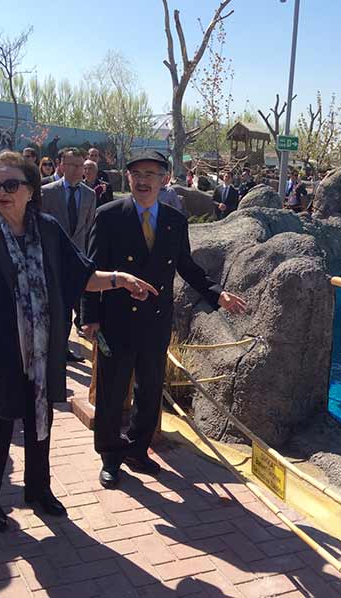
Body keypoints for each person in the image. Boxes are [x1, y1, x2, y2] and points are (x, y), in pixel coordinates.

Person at [0, 150, 156, 531]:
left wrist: (120, 280)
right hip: (0, 352)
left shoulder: (46, 229)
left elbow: (83, 276)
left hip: (44, 350)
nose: (1, 192)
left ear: (30, 190)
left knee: (39, 421)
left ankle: (38, 489)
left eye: (10, 184)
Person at [81, 150, 246, 490]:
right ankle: (111, 456)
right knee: (113, 394)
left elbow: (186, 266)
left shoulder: (174, 220)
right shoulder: (109, 215)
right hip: (116, 321)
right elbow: (90, 270)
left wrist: (217, 294)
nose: (143, 180)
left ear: (164, 179)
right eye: (137, 173)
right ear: (128, 178)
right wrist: (89, 317)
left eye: (151, 174)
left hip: (156, 322)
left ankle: (138, 451)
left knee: (149, 391)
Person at [42, 147, 96, 362]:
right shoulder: (47, 191)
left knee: (78, 307)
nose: (76, 170)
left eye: (80, 166)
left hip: (78, 261)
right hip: (53, 260)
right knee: (57, 310)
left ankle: (64, 348)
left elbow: (89, 227)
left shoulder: (89, 195)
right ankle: (55, 349)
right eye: (71, 165)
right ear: (61, 165)